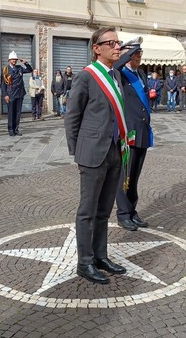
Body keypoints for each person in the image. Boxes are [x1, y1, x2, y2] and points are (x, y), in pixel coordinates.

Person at [64, 26, 128, 285]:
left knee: (104, 210)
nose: (117, 47)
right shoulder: (87, 77)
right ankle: (85, 261)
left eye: (118, 42)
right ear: (97, 48)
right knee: (87, 211)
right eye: (110, 43)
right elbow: (72, 117)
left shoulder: (116, 76)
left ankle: (101, 255)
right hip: (92, 154)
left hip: (114, 150)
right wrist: (78, 151)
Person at [113, 42, 152, 232]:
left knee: (135, 175)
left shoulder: (141, 74)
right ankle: (123, 213)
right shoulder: (119, 73)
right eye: (135, 54)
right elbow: (115, 65)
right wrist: (126, 54)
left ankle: (132, 210)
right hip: (129, 131)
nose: (138, 57)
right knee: (125, 175)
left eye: (140, 54)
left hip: (142, 130)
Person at [2, 51, 33, 136]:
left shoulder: (19, 68)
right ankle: (11, 129)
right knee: (11, 112)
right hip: (11, 93)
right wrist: (5, 95)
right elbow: (3, 84)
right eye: (13, 59)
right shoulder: (6, 69)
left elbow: (29, 70)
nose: (14, 61)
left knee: (18, 112)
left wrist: (26, 63)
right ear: (9, 60)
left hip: (19, 93)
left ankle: (16, 129)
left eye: (15, 59)